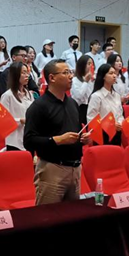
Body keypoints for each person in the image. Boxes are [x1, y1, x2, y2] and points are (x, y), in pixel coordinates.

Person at [24, 59, 91, 204]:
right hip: (52, 169)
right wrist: (57, 140)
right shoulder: (39, 106)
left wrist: (83, 138)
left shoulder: (72, 103)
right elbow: (29, 141)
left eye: (70, 72)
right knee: (49, 216)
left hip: (75, 168)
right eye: (65, 73)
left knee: (74, 215)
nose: (71, 76)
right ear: (52, 78)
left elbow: (75, 131)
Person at [0, 62, 33, 151]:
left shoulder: (29, 94)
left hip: (28, 138)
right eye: (23, 73)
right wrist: (20, 120)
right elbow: (2, 120)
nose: (27, 75)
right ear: (15, 75)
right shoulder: (7, 96)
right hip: (14, 141)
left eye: (27, 72)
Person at [88, 64, 124, 146]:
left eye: (114, 73)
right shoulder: (96, 96)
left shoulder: (117, 95)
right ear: (103, 76)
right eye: (111, 73)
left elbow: (120, 115)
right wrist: (110, 125)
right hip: (102, 135)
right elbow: (91, 119)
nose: (114, 76)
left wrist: (120, 123)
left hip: (117, 133)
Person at [71, 55, 95, 124]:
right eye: (89, 64)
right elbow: (79, 96)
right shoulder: (75, 80)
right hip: (79, 109)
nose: (91, 66)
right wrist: (85, 82)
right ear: (82, 65)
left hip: (91, 108)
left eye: (92, 64)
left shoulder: (93, 80)